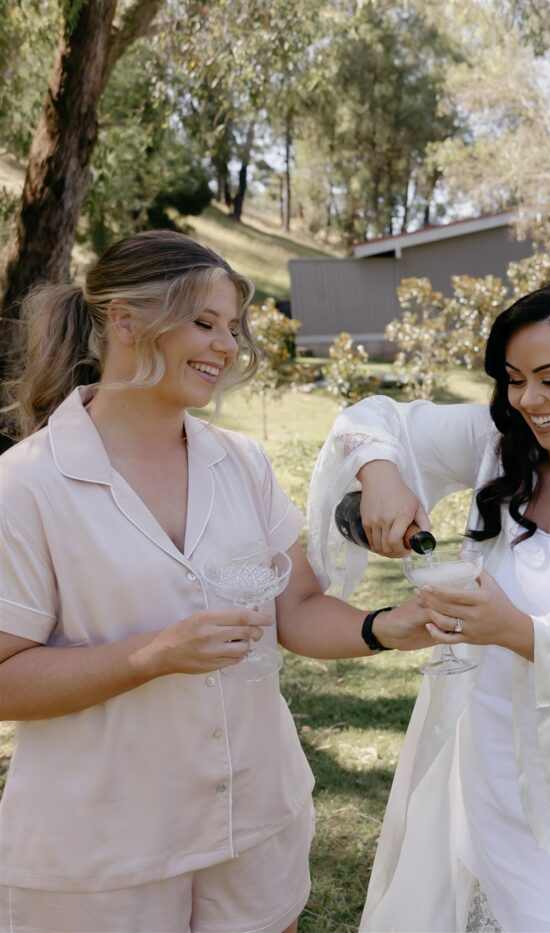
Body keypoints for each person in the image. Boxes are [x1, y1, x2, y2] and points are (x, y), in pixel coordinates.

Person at [0, 230, 436, 933]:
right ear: (124, 319)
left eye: (233, 328)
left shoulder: (242, 464)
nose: (227, 347)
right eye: (204, 323)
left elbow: (293, 608)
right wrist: (155, 654)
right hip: (100, 853)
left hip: (252, 823)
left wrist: (385, 625)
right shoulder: (26, 485)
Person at [306, 281, 550, 932]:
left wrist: (515, 630)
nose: (528, 401)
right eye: (514, 379)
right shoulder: (495, 443)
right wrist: (383, 475)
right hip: (475, 740)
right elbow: (370, 419)